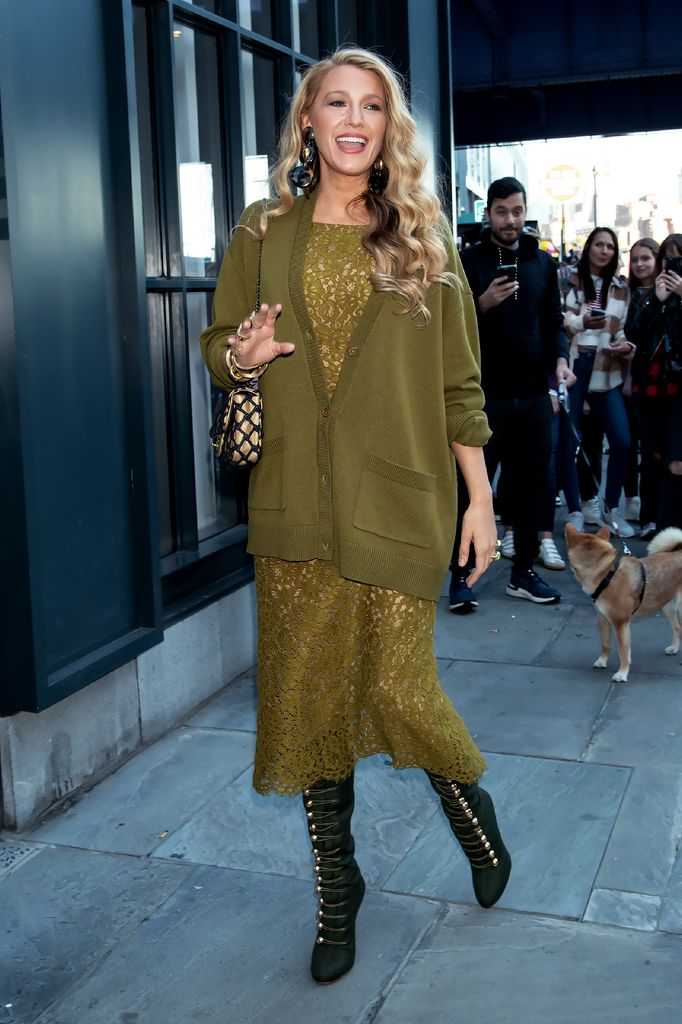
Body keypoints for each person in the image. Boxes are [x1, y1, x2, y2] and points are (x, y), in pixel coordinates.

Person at [200, 47, 511, 986]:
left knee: (403, 691)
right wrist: (242, 356)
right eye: (333, 102)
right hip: (296, 508)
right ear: (307, 120)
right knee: (311, 706)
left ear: (387, 128)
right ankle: (340, 887)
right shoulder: (265, 230)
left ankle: (469, 808)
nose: (351, 118)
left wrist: (482, 497)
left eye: (370, 106)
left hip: (400, 501)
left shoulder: (423, 236)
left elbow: (460, 382)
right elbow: (220, 345)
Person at [449, 176, 571, 609]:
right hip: (486, 396)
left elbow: (554, 323)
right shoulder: (469, 261)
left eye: (517, 211)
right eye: (502, 211)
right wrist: (480, 304)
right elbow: (449, 328)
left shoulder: (542, 263)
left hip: (535, 393)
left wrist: (560, 361)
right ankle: (460, 577)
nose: (511, 220)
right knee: (470, 489)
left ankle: (523, 572)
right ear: (489, 213)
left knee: (532, 489)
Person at [560, 227, 634, 537]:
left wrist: (627, 346)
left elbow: (621, 331)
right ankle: (576, 509)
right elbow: (560, 322)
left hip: (607, 367)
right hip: (577, 366)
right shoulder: (570, 281)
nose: (604, 251)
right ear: (589, 247)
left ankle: (611, 508)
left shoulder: (621, 288)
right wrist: (580, 323)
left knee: (622, 440)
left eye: (609, 246)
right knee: (569, 443)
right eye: (599, 244)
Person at [625, 233, 682, 531]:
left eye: (678, 259)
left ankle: (666, 528)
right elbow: (634, 333)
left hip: (677, 389)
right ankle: (654, 519)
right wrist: (657, 302)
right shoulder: (646, 295)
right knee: (653, 454)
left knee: (676, 461)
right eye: (668, 259)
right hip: (647, 386)